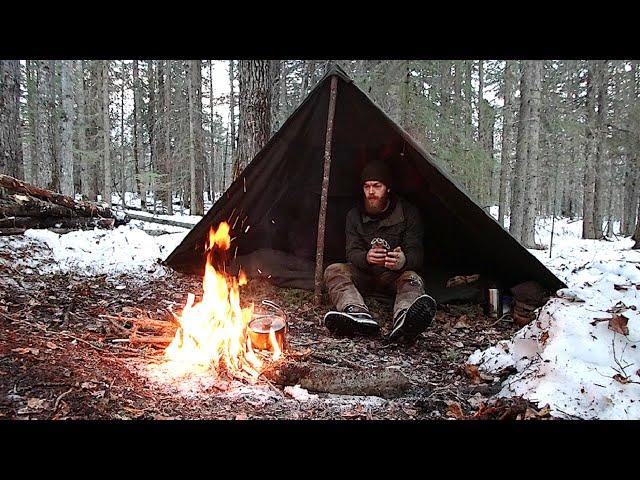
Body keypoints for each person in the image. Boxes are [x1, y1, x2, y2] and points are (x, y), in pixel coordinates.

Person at [323, 160, 437, 343]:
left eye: (377, 186)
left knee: (413, 279)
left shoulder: (408, 213)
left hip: (395, 275)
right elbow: (351, 251)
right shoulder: (354, 215)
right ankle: (356, 314)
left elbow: (417, 253)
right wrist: (366, 257)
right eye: (367, 186)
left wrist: (403, 260)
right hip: (365, 274)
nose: (371, 192)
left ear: (388, 188)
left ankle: (406, 318)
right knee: (334, 271)